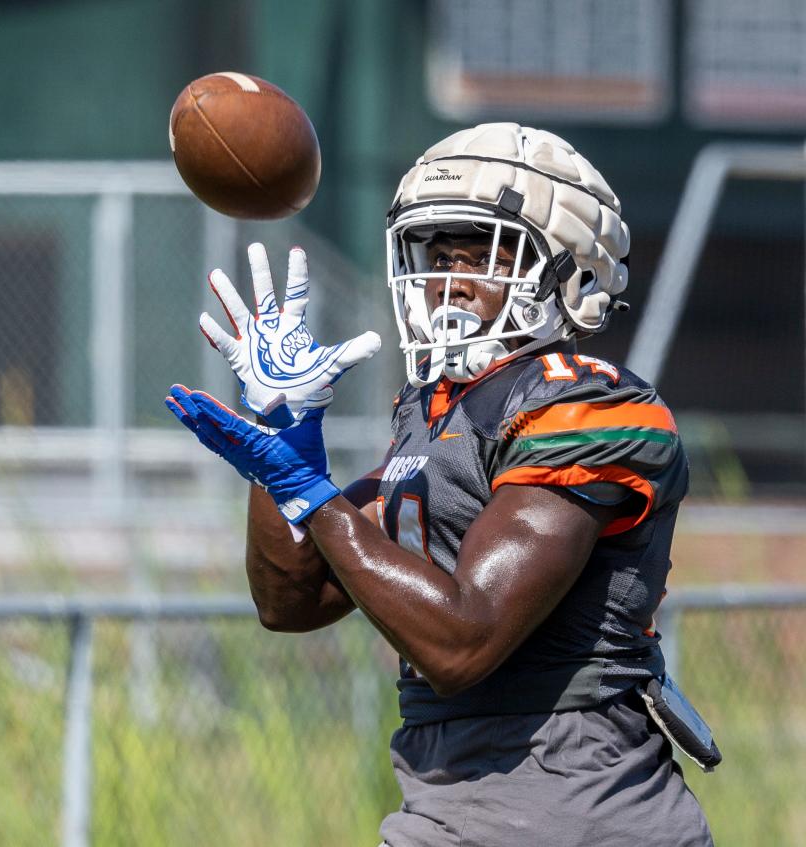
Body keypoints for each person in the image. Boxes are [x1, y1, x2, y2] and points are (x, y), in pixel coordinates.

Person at [166, 123, 716, 846]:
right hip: (449, 796)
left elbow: (464, 640)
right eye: (439, 254)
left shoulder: (590, 407)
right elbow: (289, 599)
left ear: (568, 267)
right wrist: (283, 437)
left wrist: (311, 492)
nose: (449, 278)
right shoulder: (431, 416)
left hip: (576, 800)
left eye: (484, 253)